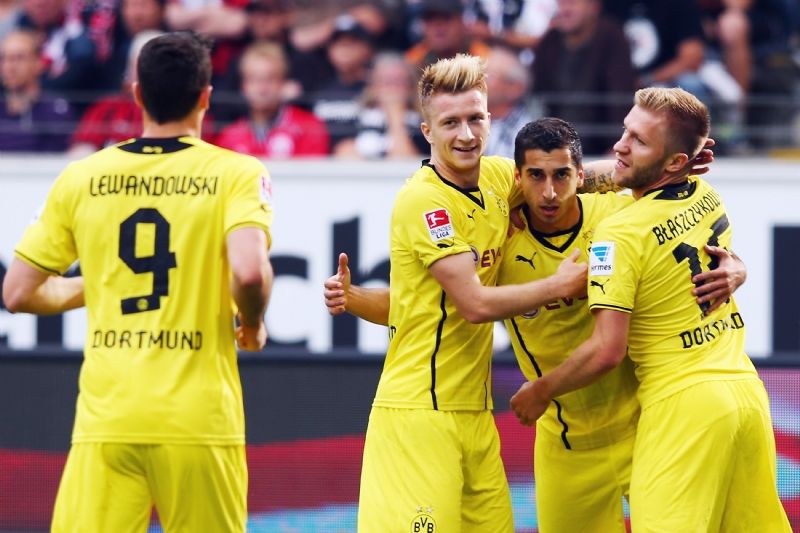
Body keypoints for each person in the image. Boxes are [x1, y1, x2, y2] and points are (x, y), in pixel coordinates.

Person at [2, 31, 274, 532]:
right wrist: (253, 325)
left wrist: (103, 284)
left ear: (137, 94)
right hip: (198, 420)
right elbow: (250, 271)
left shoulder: (83, 177)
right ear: (205, 97)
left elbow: (17, 293)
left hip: (108, 418)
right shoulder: (235, 173)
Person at [327, 53, 588, 533]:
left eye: (475, 119)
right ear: (427, 131)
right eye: (450, 123)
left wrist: (656, 167)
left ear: (490, 119)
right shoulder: (424, 201)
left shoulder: (496, 178)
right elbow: (473, 304)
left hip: (475, 415)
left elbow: (568, 170)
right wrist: (560, 284)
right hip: (419, 417)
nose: (466, 134)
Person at [510, 87, 791, 532]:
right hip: (745, 393)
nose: (620, 146)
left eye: (639, 141)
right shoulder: (706, 193)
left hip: (681, 405)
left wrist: (541, 391)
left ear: (676, 161)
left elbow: (608, 350)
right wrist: (738, 267)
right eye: (626, 131)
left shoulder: (617, 232)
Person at [533, 0, 636, 155]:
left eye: (572, 3)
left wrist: (618, 144)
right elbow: (536, 96)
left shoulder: (612, 38)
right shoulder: (549, 41)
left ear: (594, 7)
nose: (565, 10)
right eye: (561, 4)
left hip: (603, 147)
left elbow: (621, 97)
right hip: (555, 146)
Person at [215, 41, 330, 158]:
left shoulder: (309, 128)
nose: (262, 89)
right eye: (254, 79)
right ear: (243, 86)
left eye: (270, 79)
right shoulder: (230, 137)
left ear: (283, 82)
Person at [0, 29, 75, 152]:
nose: (9, 66)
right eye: (4, 59)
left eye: (19, 58)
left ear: (38, 63)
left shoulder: (55, 110)